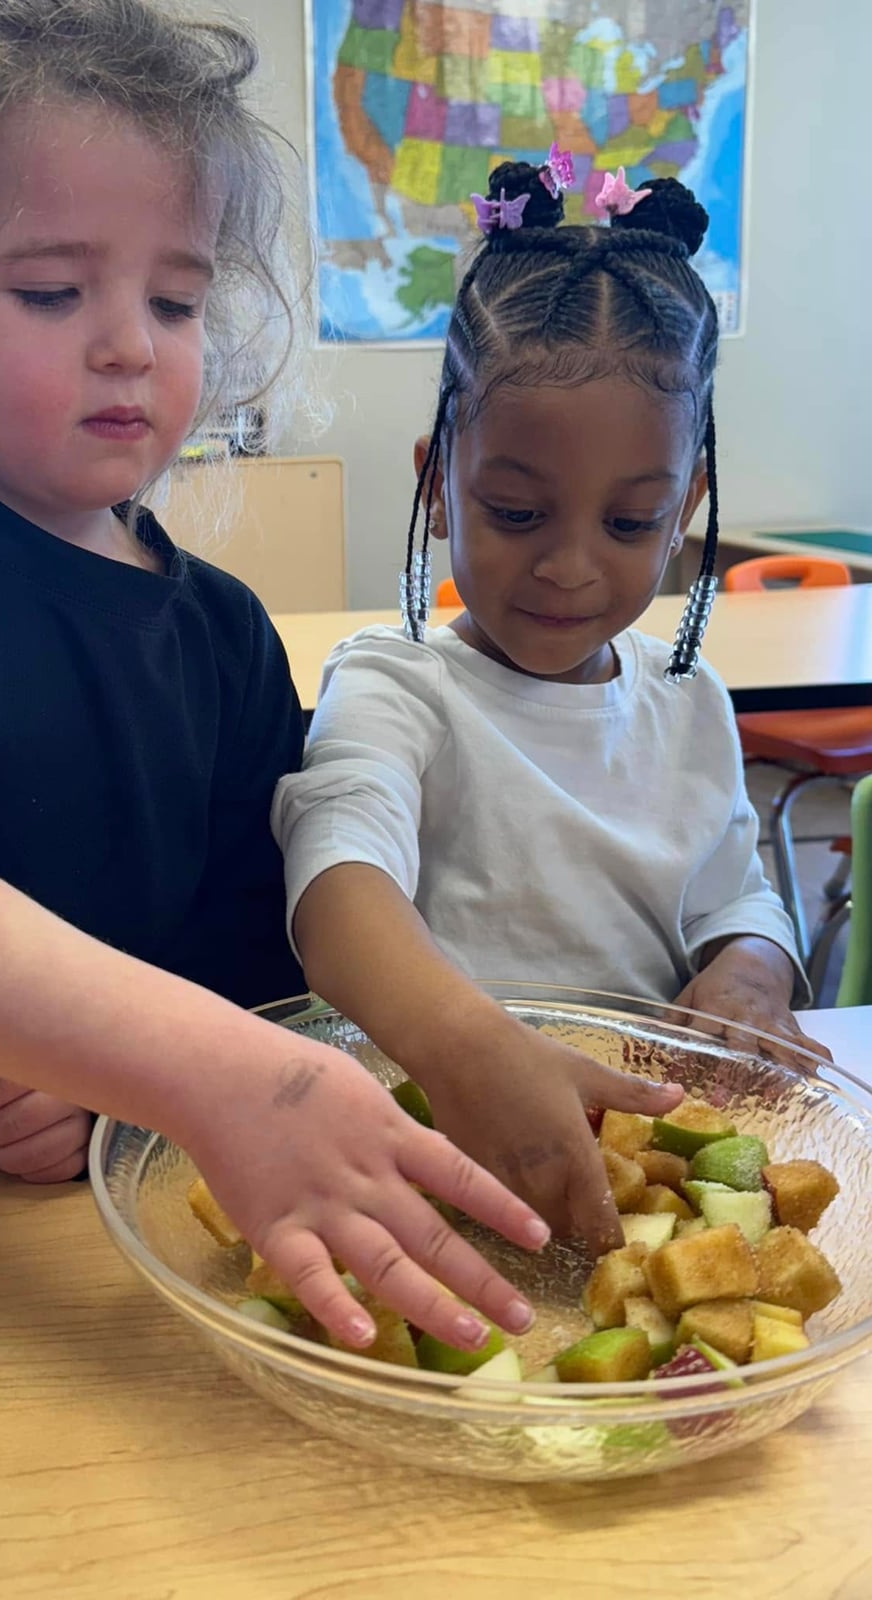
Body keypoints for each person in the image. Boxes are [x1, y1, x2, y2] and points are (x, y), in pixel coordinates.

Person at [0, 0, 633, 1357]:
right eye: (49, 292)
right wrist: (193, 1073)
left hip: (138, 1202)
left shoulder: (222, 630)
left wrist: (141, 1091)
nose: (130, 343)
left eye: (177, 298)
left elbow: (244, 955)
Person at [274, 155, 830, 1244]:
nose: (571, 567)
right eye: (518, 513)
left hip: (634, 1168)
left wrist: (751, 973)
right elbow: (336, 889)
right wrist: (471, 1047)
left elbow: (740, 895)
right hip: (425, 1151)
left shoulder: (687, 704)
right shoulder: (397, 687)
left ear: (686, 512)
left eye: (628, 525)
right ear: (439, 486)